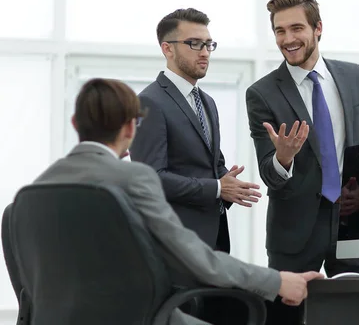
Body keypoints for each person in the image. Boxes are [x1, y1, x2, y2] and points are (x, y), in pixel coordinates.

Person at [33, 78, 323, 325]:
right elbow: (195, 256)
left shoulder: (34, 191)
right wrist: (277, 281)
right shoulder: (135, 178)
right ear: (131, 130)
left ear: (74, 123)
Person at [245, 0, 359, 324]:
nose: (288, 39)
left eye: (296, 28)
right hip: (295, 228)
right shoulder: (261, 94)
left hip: (355, 221)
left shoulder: (353, 77)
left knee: (357, 317)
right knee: (286, 318)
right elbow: (270, 173)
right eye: (280, 31)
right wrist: (283, 158)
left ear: (318, 28)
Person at [130, 8, 260, 254]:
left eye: (208, 45)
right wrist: (219, 188)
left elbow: (211, 164)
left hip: (214, 237)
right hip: (174, 243)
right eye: (194, 44)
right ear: (167, 49)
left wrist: (227, 181)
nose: (204, 53)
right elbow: (151, 178)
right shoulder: (149, 102)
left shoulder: (207, 101)